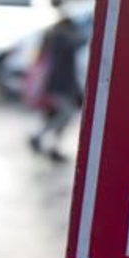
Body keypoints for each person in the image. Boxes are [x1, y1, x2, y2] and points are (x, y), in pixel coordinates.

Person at [28, 14, 84, 162]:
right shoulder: (64, 38)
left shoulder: (52, 36)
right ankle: (48, 144)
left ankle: (45, 142)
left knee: (56, 116)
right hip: (61, 86)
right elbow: (78, 44)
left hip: (53, 84)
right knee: (65, 115)